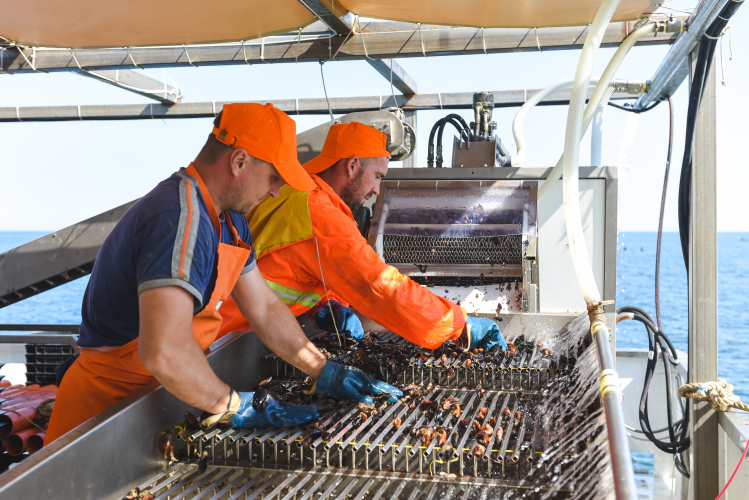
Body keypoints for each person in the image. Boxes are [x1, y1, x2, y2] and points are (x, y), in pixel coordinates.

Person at [45, 105, 401, 445]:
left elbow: (263, 307)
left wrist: (321, 369)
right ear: (239, 161)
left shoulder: (231, 221)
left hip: (169, 392)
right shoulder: (178, 220)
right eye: (274, 178)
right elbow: (164, 351)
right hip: (107, 412)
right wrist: (232, 405)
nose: (276, 191)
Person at [218, 121, 506, 353]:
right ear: (352, 165)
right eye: (378, 177)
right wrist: (458, 322)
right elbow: (381, 288)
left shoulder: (292, 192)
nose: (377, 191)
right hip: (233, 342)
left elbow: (285, 264)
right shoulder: (321, 214)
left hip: (238, 333)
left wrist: (323, 302)